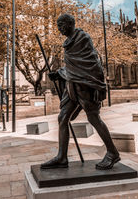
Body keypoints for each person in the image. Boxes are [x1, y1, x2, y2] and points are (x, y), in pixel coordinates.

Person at [41, 13, 120, 170]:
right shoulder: (67, 43)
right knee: (63, 118)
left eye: (61, 25)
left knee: (94, 118)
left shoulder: (82, 38)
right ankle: (62, 157)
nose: (59, 28)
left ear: (70, 24)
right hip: (72, 86)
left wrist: (99, 85)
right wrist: (59, 73)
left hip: (86, 85)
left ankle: (112, 153)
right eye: (57, 25)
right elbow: (73, 67)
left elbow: (91, 63)